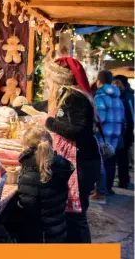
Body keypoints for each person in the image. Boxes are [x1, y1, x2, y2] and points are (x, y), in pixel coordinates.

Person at [15, 56, 101, 243]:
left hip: (82, 164)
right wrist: (21, 108)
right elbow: (46, 108)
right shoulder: (66, 95)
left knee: (76, 217)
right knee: (71, 216)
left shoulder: (75, 98)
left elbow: (79, 131)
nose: (47, 81)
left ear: (58, 77)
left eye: (48, 77)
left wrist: (48, 121)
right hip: (80, 162)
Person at [15, 127, 74, 243]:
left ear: (27, 147)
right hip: (57, 230)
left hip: (39, 235)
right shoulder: (60, 166)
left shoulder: (30, 173)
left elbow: (27, 207)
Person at [91, 71, 125, 200]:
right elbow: (122, 118)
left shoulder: (100, 97)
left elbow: (100, 119)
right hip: (114, 135)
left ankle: (100, 192)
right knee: (107, 163)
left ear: (99, 81)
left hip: (102, 135)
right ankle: (104, 189)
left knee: (99, 163)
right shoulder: (117, 97)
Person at [112, 76, 134, 189]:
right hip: (123, 132)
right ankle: (123, 180)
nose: (115, 86)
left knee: (122, 158)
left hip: (124, 133)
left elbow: (130, 117)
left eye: (117, 84)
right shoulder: (126, 96)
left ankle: (123, 181)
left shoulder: (126, 97)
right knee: (121, 158)